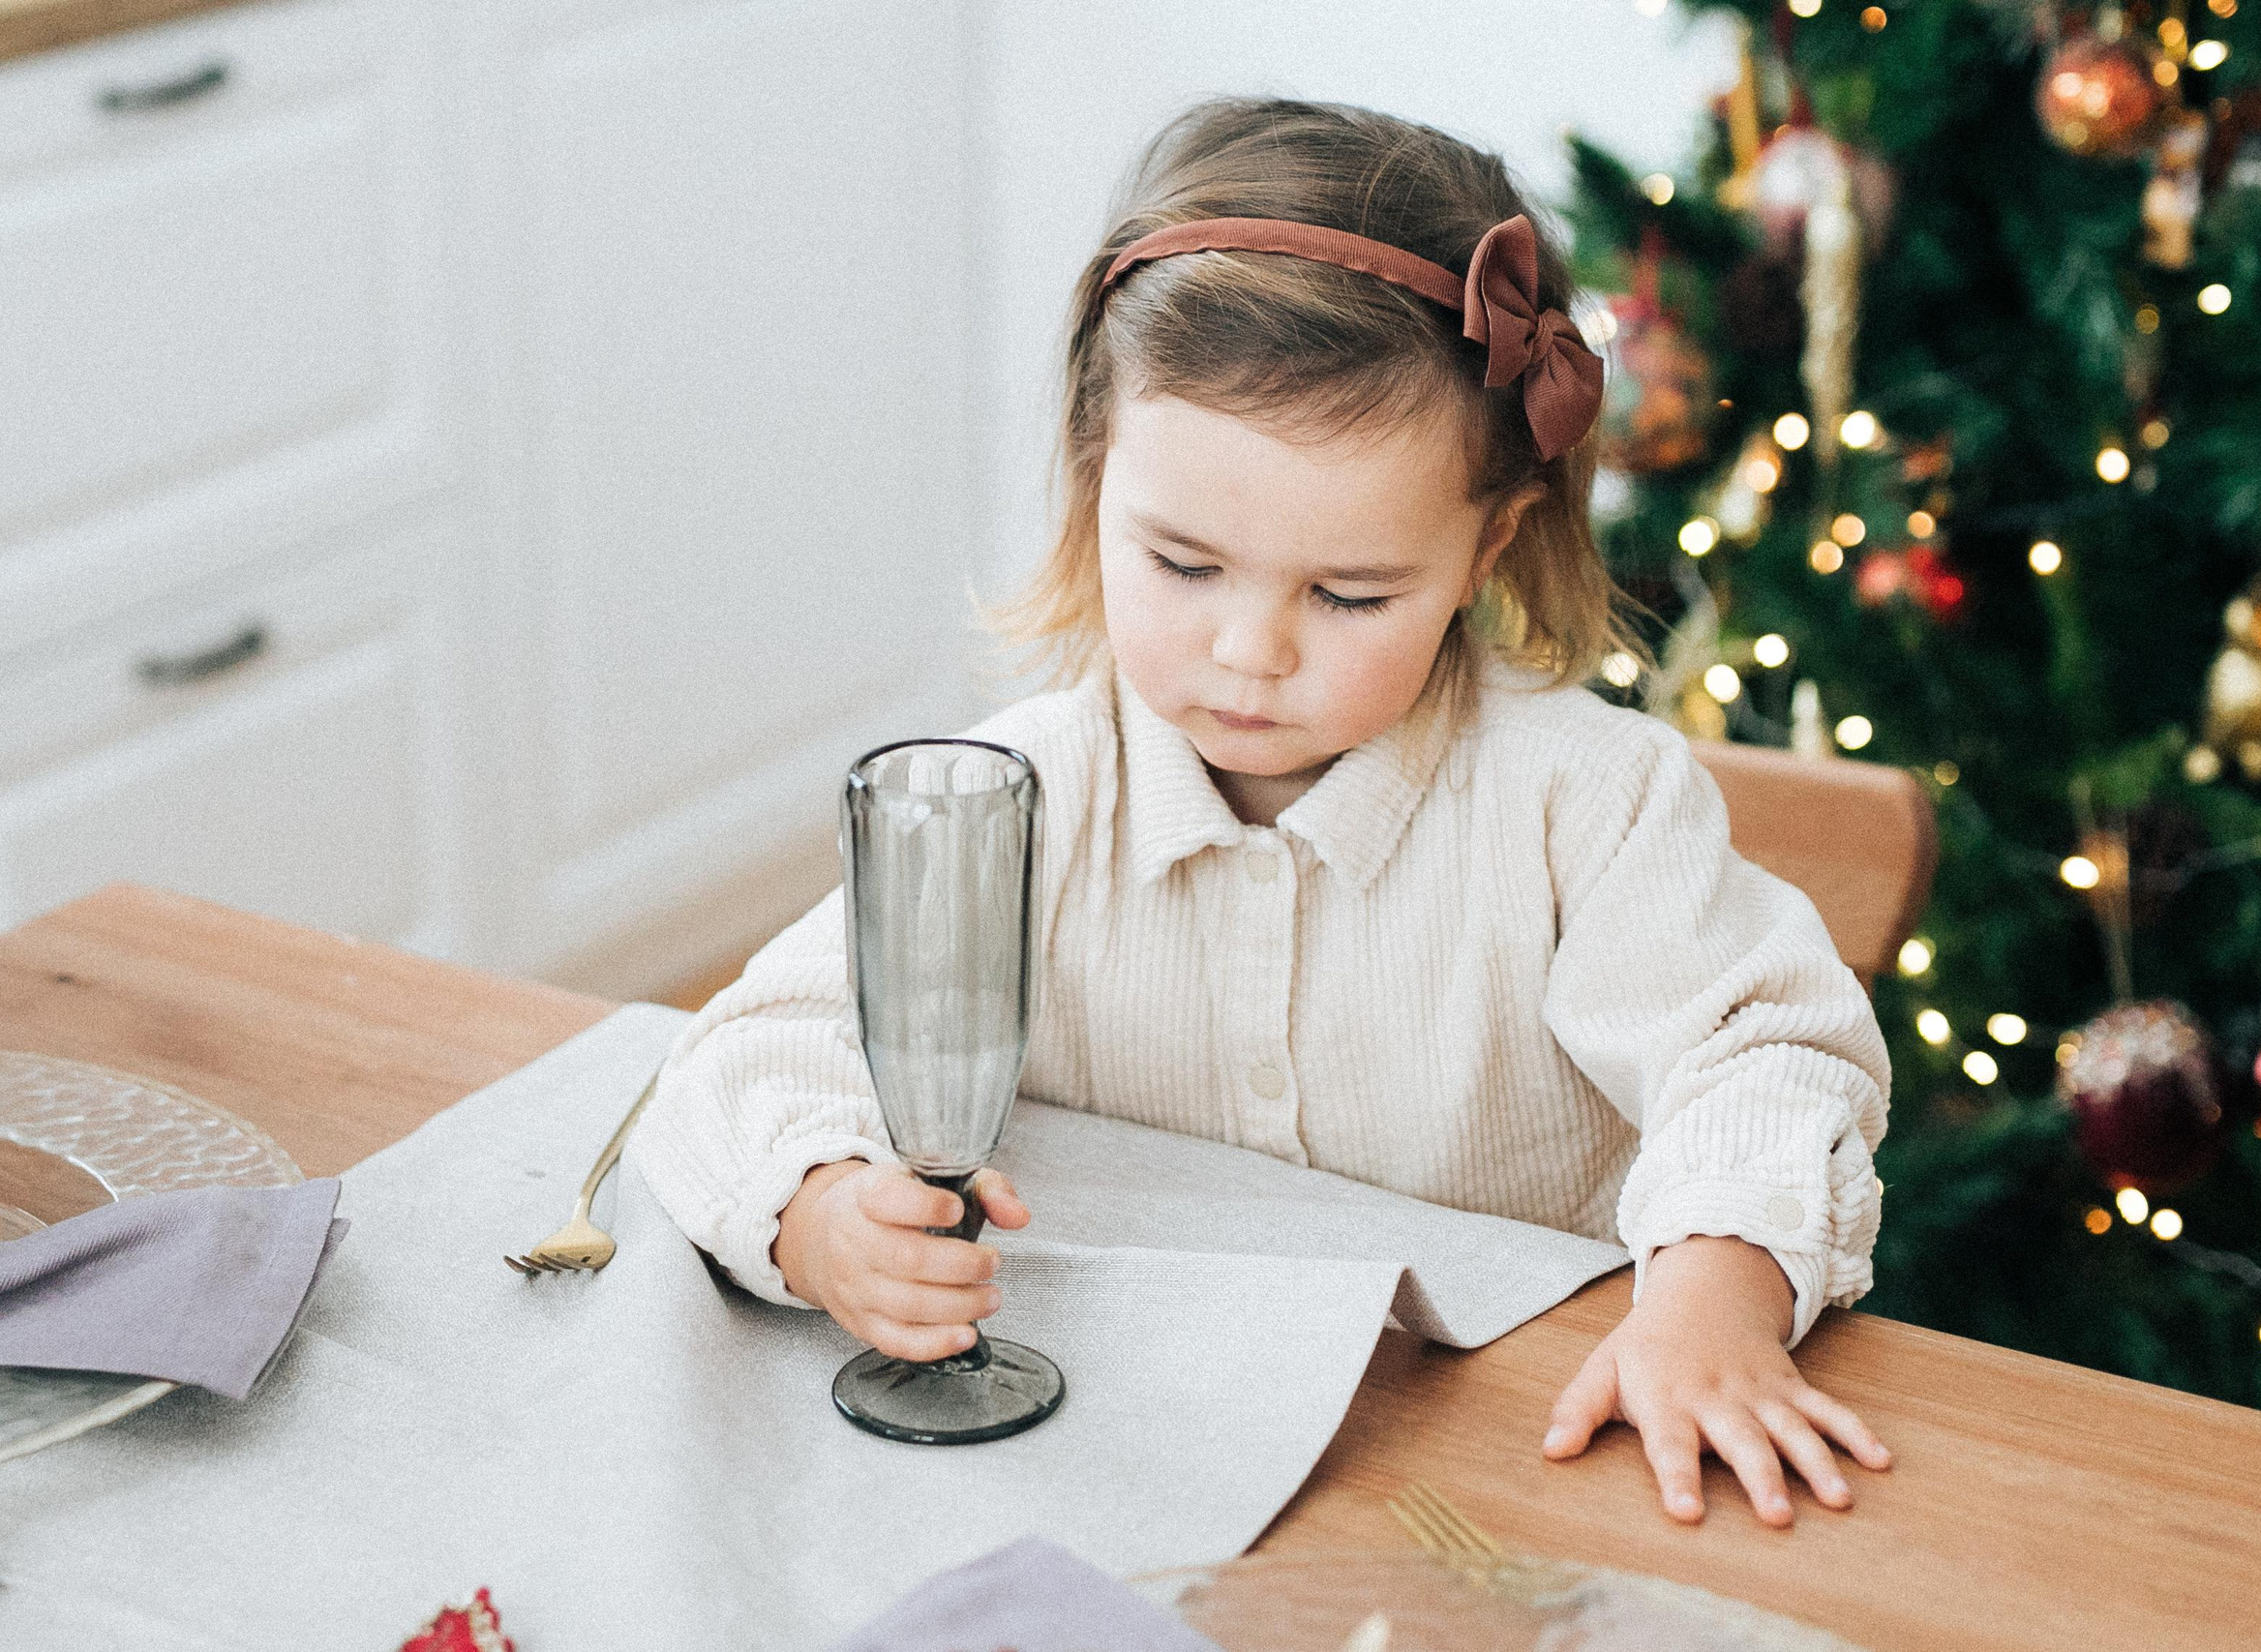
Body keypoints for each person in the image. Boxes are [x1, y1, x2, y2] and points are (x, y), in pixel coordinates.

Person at [634, 97, 1893, 1528]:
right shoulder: (1027, 792)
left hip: (1501, 1467)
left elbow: (1766, 1057)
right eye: (1182, 566)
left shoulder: (1589, 806)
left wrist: (1714, 1304)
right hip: (1110, 1464)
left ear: (1486, 546)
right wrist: (817, 1214)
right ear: (1096, 478)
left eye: (1349, 595)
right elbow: (753, 1049)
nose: (1250, 653)